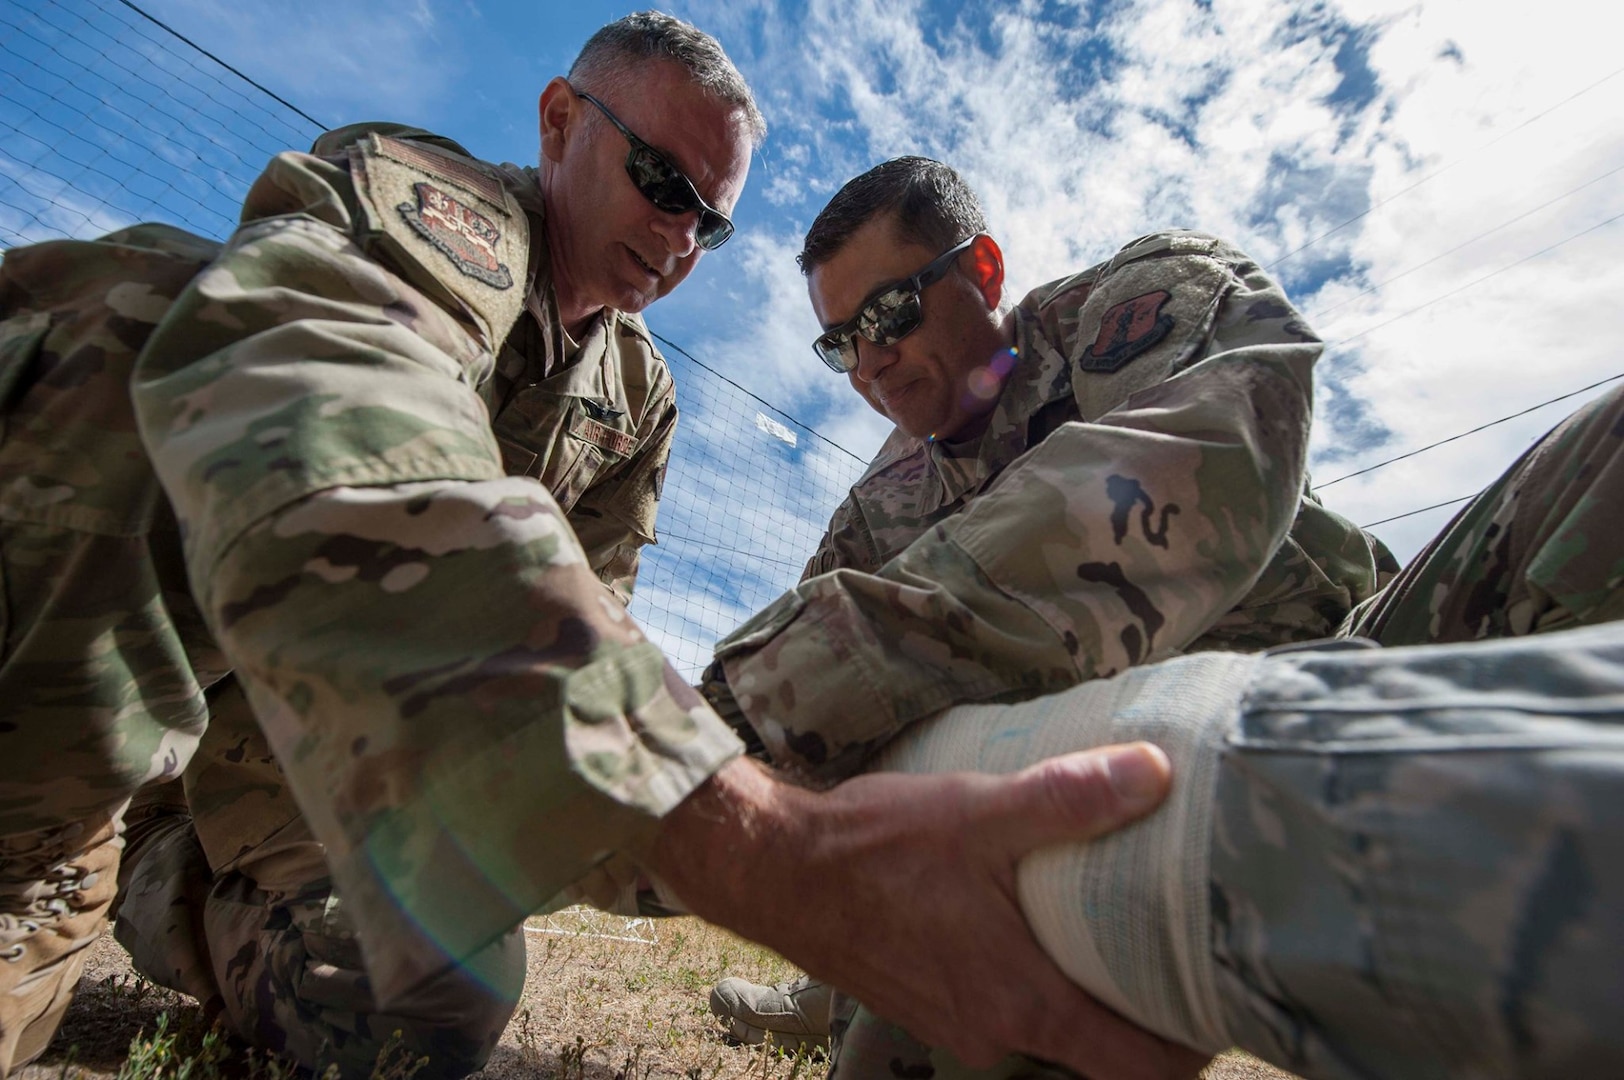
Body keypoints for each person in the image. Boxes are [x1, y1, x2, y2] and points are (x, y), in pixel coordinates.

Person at [0, 23, 1202, 1080]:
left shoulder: (635, 399)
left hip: (300, 742)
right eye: (661, 181)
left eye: (711, 221)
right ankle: (50, 843)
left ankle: (156, 863)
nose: (681, 238)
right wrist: (728, 832)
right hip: (111, 641)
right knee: (143, 315)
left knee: (428, 999)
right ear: (562, 121)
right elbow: (339, 387)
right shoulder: (440, 205)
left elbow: (595, 614)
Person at [707, 156, 1624, 1078]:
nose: (869, 361)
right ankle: (844, 994)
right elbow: (800, 729)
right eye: (840, 344)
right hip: (1078, 796)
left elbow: (1204, 468)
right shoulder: (877, 507)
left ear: (981, 271)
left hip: (1348, 664)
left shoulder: (1129, 310)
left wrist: (808, 683)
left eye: (889, 314)